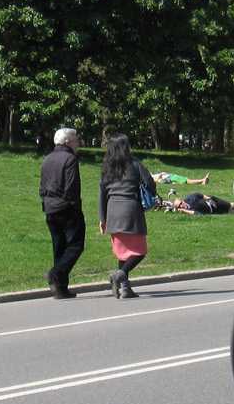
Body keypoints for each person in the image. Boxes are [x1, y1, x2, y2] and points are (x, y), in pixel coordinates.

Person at [98, 133, 155, 299]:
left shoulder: (106, 168)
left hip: (112, 212)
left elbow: (101, 193)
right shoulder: (135, 164)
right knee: (140, 251)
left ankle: (125, 289)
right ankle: (120, 275)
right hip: (130, 210)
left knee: (123, 253)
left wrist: (102, 218)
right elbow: (150, 183)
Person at [40, 127, 85, 299]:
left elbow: (42, 185)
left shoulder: (48, 158)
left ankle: (61, 288)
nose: (78, 142)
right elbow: (72, 187)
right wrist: (75, 207)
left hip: (50, 207)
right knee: (75, 245)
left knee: (59, 248)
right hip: (66, 208)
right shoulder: (70, 159)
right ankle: (55, 273)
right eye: (75, 139)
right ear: (67, 142)